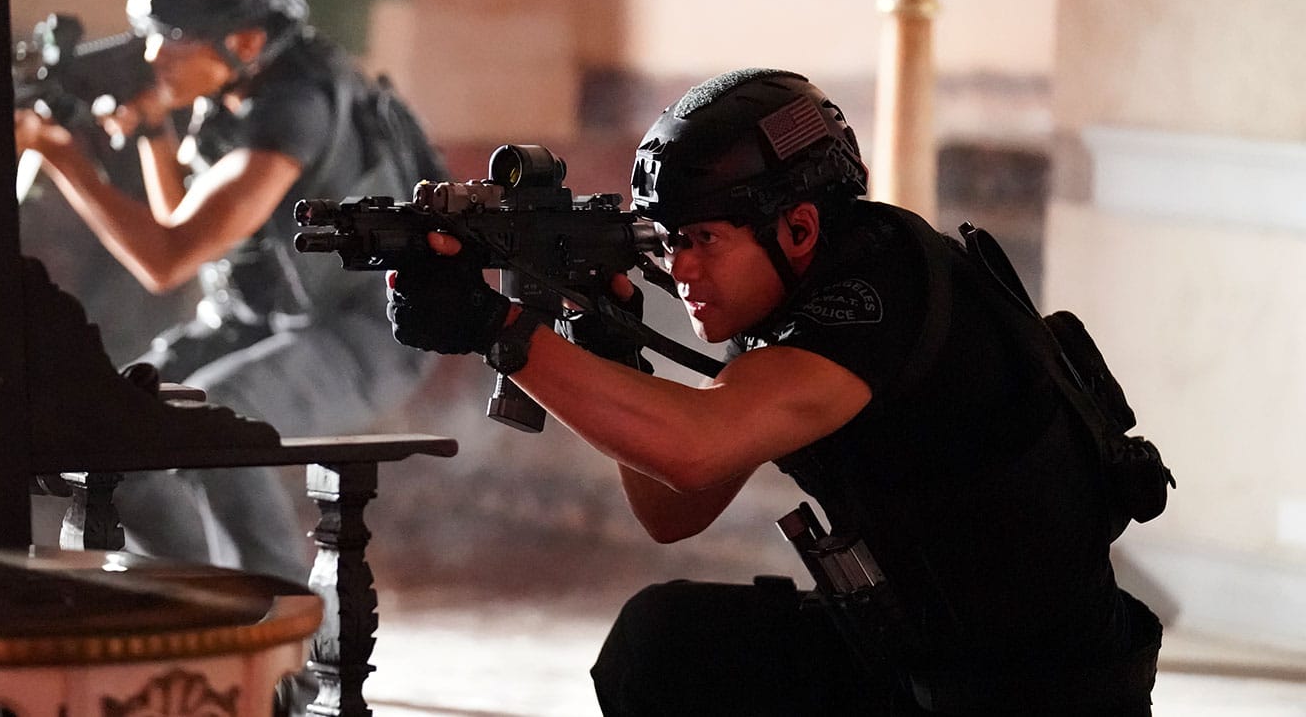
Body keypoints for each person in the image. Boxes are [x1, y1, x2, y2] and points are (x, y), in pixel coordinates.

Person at [384, 68, 1163, 715]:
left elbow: (694, 450)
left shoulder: (875, 296)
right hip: (924, 656)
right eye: (672, 241)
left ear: (798, 228)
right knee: (665, 647)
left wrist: (495, 327)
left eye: (705, 240)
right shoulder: (789, 307)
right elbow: (673, 509)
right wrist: (612, 351)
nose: (682, 270)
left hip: (1039, 692)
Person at [15, 0, 445, 582]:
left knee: (219, 423)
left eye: (172, 37)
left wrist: (65, 160)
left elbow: (168, 259)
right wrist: (153, 130)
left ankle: (277, 620)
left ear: (244, 40)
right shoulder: (241, 89)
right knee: (114, 425)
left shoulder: (296, 106)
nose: (152, 55)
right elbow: (182, 220)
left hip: (370, 328)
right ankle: (202, 602)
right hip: (262, 319)